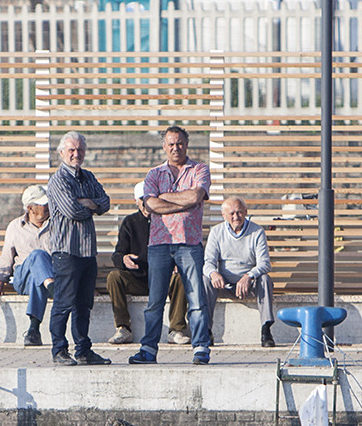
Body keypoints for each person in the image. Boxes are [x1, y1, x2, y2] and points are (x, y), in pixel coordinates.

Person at [129, 124, 213, 366]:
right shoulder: (154, 173)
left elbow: (196, 196)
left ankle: (200, 348)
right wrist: (182, 203)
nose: (176, 148)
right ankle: (148, 350)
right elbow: (150, 205)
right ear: (164, 146)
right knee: (154, 301)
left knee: (196, 300)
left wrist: (164, 198)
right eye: (171, 144)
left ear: (186, 144)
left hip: (189, 243)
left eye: (180, 143)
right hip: (159, 244)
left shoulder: (199, 169)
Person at [43, 131, 112, 365]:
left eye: (80, 150)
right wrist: (90, 206)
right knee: (63, 303)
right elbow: (72, 210)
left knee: (84, 305)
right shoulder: (58, 180)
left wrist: (88, 203)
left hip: (87, 251)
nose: (76, 154)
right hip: (67, 251)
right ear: (62, 152)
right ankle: (59, 350)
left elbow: (106, 202)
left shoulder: (88, 176)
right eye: (71, 150)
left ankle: (84, 350)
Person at [105, 190, 189, 345]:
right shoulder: (130, 222)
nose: (146, 206)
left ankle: (176, 329)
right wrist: (124, 259)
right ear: (137, 202)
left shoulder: (168, 220)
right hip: (137, 278)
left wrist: (177, 261)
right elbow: (117, 255)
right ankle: (123, 328)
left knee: (180, 277)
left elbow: (180, 248)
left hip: (163, 277)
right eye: (143, 201)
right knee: (114, 277)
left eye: (150, 201)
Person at [204, 196, 276, 347]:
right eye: (231, 213)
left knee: (265, 279)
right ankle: (205, 330)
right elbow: (208, 262)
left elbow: (265, 263)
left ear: (245, 212)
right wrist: (214, 273)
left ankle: (266, 330)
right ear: (224, 216)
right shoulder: (216, 232)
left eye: (239, 212)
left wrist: (249, 276)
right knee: (206, 279)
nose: (236, 217)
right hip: (224, 285)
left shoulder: (257, 231)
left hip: (249, 285)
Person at [0, 185, 55, 349]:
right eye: (42, 204)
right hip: (22, 278)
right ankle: (54, 289)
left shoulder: (57, 224)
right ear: (30, 208)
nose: (47, 206)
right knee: (36, 255)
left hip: (49, 275)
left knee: (37, 277)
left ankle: (33, 329)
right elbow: (7, 256)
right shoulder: (15, 226)